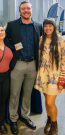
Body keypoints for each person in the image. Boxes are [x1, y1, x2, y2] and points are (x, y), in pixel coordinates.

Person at [5, 1, 42, 134]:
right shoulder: (12, 25)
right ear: (19, 11)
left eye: (28, 8)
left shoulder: (38, 26)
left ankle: (24, 116)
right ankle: (13, 119)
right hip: (18, 64)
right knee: (14, 93)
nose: (26, 10)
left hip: (33, 64)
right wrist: (13, 49)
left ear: (31, 10)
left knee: (27, 93)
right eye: (23, 9)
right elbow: (5, 39)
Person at [34, 18, 65, 135]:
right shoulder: (41, 39)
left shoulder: (61, 40)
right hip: (43, 75)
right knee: (47, 101)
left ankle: (55, 124)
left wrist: (63, 78)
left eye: (50, 26)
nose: (48, 28)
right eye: (45, 26)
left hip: (55, 77)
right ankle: (49, 120)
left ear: (54, 26)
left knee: (51, 102)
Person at [0, 25, 13, 135]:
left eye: (2, 30)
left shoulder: (9, 43)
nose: (0, 32)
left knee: (3, 101)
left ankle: (1, 123)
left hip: (6, 76)